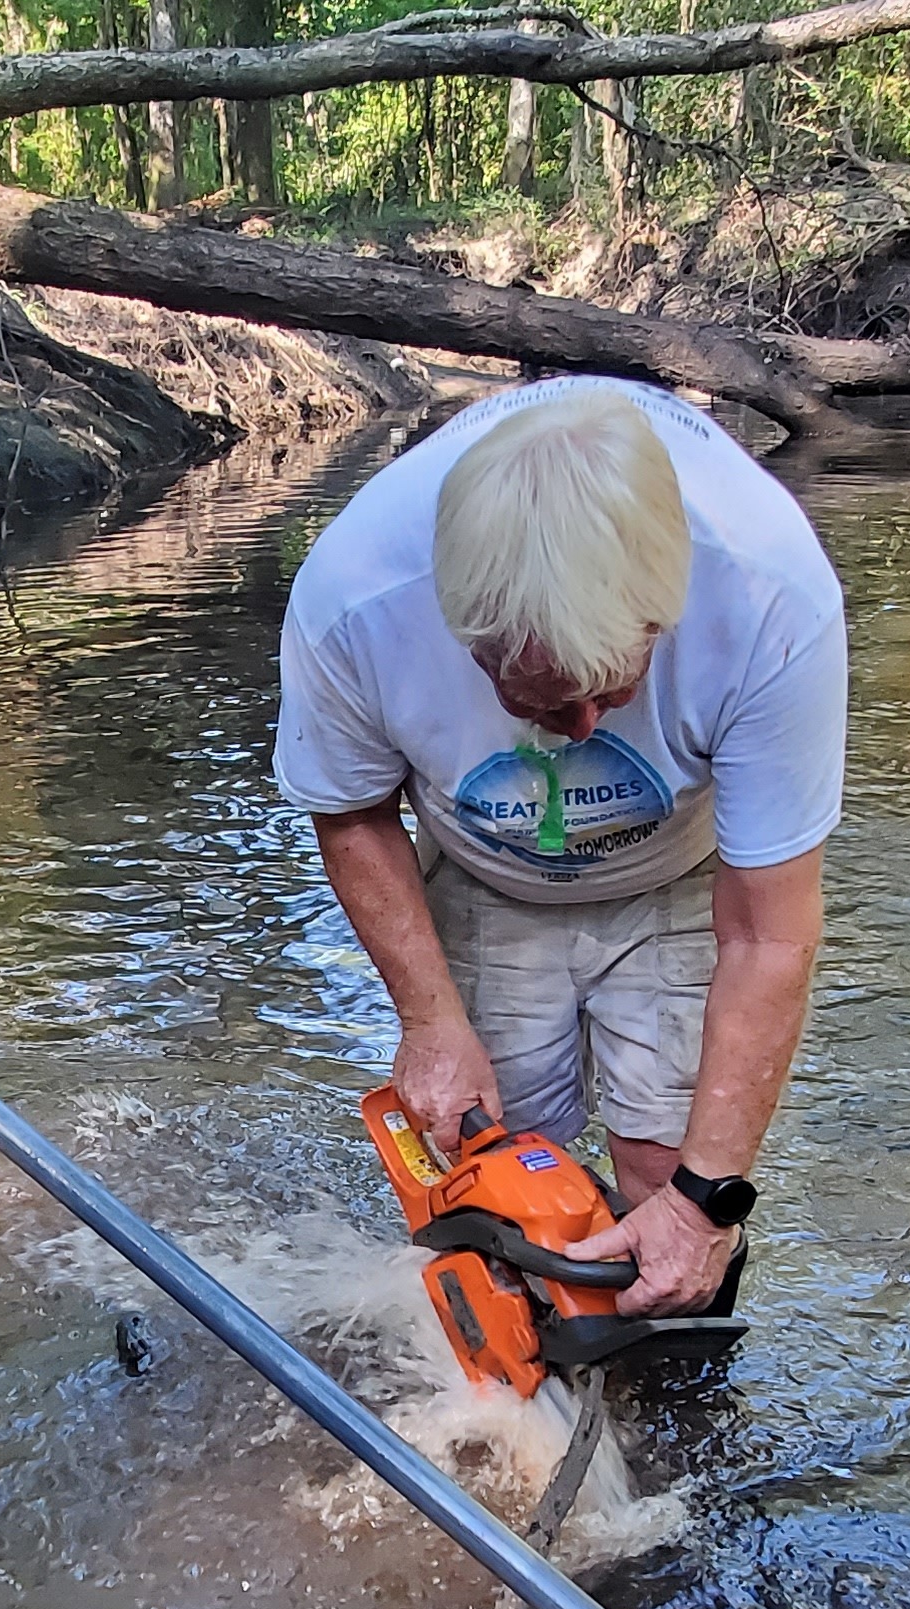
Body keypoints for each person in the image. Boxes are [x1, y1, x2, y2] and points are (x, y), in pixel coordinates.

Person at [275, 378, 846, 1317]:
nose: (576, 728)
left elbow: (768, 936)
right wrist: (431, 1021)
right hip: (480, 867)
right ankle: (514, 1391)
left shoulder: (770, 595)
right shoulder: (357, 597)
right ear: (460, 625)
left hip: (684, 872)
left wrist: (706, 1204)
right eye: (533, 698)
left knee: (672, 1177)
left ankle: (680, 1408)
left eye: (612, 688)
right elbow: (353, 813)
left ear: (667, 612)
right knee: (494, 1163)